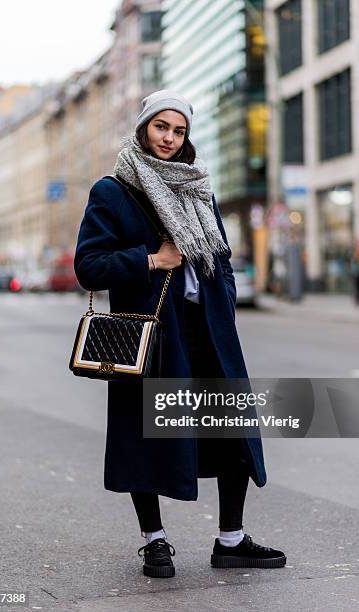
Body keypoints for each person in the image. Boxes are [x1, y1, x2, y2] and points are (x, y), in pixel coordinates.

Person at [74, 90, 286, 578]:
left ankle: (230, 540)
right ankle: (155, 541)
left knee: (233, 430)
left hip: (207, 330)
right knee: (144, 435)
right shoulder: (115, 190)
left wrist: (225, 300)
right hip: (153, 335)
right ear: (144, 128)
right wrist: (150, 260)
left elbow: (222, 257)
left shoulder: (198, 188)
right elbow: (89, 266)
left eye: (179, 130)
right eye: (161, 127)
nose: (169, 138)